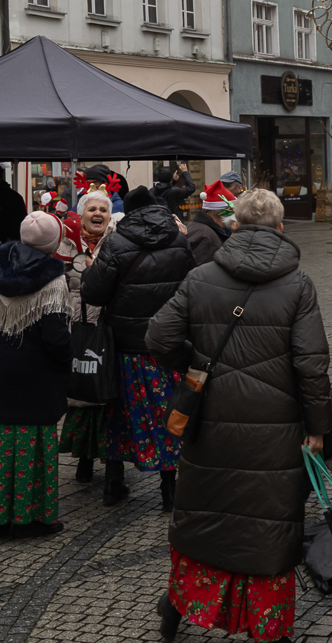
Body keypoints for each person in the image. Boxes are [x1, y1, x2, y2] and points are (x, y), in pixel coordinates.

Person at [145, 187, 330, 643]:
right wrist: (317, 427)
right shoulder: (298, 284)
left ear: (234, 225)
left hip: (212, 419)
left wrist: (196, 367)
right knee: (268, 522)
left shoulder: (201, 276)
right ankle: (268, 626)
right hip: (276, 426)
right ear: (281, 228)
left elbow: (158, 337)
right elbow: (311, 365)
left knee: (206, 514)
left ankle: (178, 605)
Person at [81, 185, 196, 509]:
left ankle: (113, 484)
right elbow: (194, 285)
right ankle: (170, 490)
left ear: (128, 212)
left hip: (125, 347)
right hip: (168, 345)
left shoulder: (116, 243)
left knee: (119, 414)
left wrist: (89, 271)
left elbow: (93, 294)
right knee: (169, 412)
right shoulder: (179, 240)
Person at [0, 211, 73, 538]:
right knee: (30, 444)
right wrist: (67, 361)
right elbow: (56, 337)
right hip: (32, 374)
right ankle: (32, 517)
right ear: (54, 243)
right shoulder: (53, 281)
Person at [59, 189, 118, 486]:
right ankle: (83, 458)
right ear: (81, 214)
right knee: (81, 394)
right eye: (92, 209)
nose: (98, 214)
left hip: (106, 330)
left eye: (103, 210)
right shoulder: (66, 244)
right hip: (77, 327)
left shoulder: (116, 243)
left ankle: (111, 465)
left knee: (105, 394)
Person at [185, 181, 237, 266]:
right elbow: (200, 271)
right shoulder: (205, 237)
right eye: (233, 212)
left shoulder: (200, 228)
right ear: (225, 211)